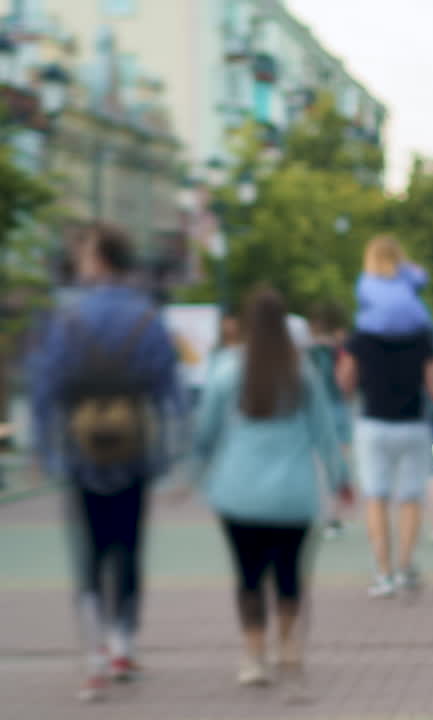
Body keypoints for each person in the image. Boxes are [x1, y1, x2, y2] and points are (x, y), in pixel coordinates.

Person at [26, 224, 184, 702]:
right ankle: (124, 643)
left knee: (90, 554)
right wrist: (174, 451)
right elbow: (170, 391)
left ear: (97, 261)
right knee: (129, 548)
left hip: (82, 450)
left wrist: (44, 449)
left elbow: (44, 390)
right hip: (135, 448)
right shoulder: (146, 317)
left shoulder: (68, 318)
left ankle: (94, 653)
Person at [193, 287, 351, 697]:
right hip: (293, 496)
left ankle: (253, 656)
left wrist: (193, 471)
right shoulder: (301, 371)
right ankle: (290, 649)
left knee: (248, 576)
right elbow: (324, 432)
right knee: (289, 575)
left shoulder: (229, 368)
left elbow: (206, 430)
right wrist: (339, 478)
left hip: (238, 493)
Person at [337, 235, 433, 599]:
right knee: (410, 497)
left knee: (376, 498)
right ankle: (404, 568)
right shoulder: (420, 328)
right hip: (412, 424)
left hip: (372, 424)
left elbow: (346, 382)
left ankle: (382, 573)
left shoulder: (363, 330)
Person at [306, 303, 354, 540]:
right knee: (337, 461)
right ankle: (333, 518)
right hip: (336, 409)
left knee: (317, 466)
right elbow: (344, 382)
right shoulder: (337, 350)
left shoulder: (305, 352)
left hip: (313, 411)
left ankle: (318, 515)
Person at [355, 234, 433, 338]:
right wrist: (408, 264)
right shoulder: (406, 272)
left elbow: (363, 303)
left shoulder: (366, 279)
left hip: (375, 333)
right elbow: (422, 279)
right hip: (414, 331)